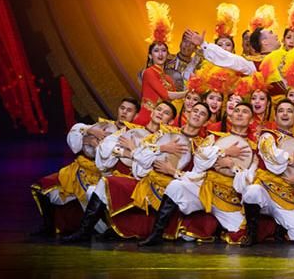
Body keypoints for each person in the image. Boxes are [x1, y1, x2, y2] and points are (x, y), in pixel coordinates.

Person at [138, 102, 256, 246]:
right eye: (237, 110)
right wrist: (222, 151)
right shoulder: (213, 138)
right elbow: (200, 161)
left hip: (227, 199)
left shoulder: (254, 148)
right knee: (176, 186)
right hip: (204, 189)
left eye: (245, 112)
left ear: (251, 120)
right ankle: (156, 234)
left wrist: (232, 166)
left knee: (241, 231)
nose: (240, 114)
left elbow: (247, 181)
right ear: (230, 117)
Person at [61, 101, 177, 242]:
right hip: (124, 178)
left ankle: (85, 232)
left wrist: (133, 151)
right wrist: (126, 152)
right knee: (94, 190)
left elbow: (153, 165)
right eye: (159, 109)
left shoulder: (167, 142)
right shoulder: (131, 130)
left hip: (144, 184)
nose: (160, 113)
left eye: (166, 113)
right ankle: (97, 230)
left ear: (171, 121)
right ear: (152, 112)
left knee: (104, 184)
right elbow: (106, 147)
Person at [31, 98, 139, 236]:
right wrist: (88, 135)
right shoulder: (104, 125)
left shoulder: (132, 136)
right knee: (43, 189)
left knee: (93, 197)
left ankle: (99, 230)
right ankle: (49, 227)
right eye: (122, 108)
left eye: (129, 110)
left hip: (101, 175)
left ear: (136, 115)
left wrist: (101, 147)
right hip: (78, 170)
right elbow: (75, 139)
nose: (124, 112)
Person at [241, 100, 294, 246]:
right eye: (281, 111)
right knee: (252, 191)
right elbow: (272, 156)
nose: (285, 114)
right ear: (275, 117)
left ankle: (280, 226)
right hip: (265, 191)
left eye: (289, 111)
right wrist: (289, 159)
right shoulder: (267, 136)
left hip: (286, 195)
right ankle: (251, 233)